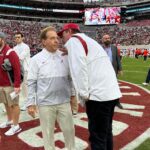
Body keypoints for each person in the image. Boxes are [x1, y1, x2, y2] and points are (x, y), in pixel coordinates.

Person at [58, 23, 122, 150]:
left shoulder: (73, 41)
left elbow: (79, 69)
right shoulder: (88, 40)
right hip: (111, 93)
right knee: (106, 132)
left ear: (69, 31)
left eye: (62, 35)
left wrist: (83, 95)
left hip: (98, 96)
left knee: (97, 136)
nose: (61, 39)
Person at [26, 26, 75, 150]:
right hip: (46, 104)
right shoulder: (35, 60)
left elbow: (70, 79)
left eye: (57, 38)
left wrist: (73, 95)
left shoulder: (65, 56)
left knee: (69, 131)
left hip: (64, 101)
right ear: (43, 41)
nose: (56, 41)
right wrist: (31, 103)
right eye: (52, 38)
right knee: (48, 135)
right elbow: (31, 82)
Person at [0, 32, 21, 136]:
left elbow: (17, 69)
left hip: (10, 84)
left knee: (14, 104)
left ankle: (16, 125)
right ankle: (10, 120)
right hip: (1, 84)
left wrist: (17, 85)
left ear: (2, 39)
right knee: (6, 103)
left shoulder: (10, 52)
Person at [102, 34, 123, 109]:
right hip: (103, 71)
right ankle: (105, 101)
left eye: (108, 38)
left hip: (113, 70)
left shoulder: (114, 48)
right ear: (102, 40)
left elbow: (118, 59)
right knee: (103, 86)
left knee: (115, 86)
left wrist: (120, 69)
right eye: (105, 38)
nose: (107, 39)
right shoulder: (99, 48)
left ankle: (117, 102)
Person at [13, 32, 30, 111]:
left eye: (19, 37)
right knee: (16, 87)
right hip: (17, 70)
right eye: (16, 37)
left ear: (22, 38)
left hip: (25, 69)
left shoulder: (26, 47)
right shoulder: (14, 48)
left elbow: (20, 57)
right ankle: (13, 104)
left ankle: (27, 104)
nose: (17, 39)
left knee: (25, 88)